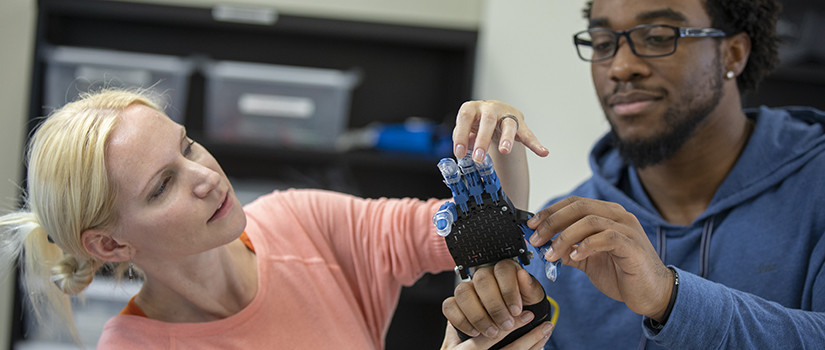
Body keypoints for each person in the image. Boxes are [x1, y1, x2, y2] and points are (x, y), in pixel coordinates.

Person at [0, 88, 548, 349]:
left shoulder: (300, 219)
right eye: (163, 185)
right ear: (112, 246)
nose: (206, 176)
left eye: (187, 148)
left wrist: (497, 143)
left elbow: (490, 233)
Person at [445, 0, 825, 349]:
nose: (622, 67)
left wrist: (670, 298)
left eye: (659, 37)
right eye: (603, 42)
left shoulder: (816, 189)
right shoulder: (561, 240)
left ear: (733, 53)